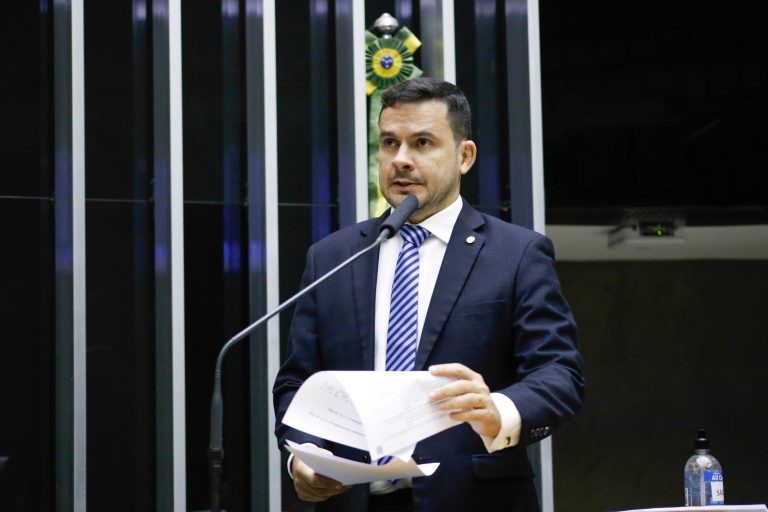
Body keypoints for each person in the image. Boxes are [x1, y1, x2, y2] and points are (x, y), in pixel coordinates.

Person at [273, 77, 585, 511]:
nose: (401, 160)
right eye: (389, 143)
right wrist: (303, 457)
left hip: (474, 499)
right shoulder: (331, 257)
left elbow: (560, 373)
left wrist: (499, 410)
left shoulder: (516, 253)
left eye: (422, 143)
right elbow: (296, 382)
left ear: (464, 156)